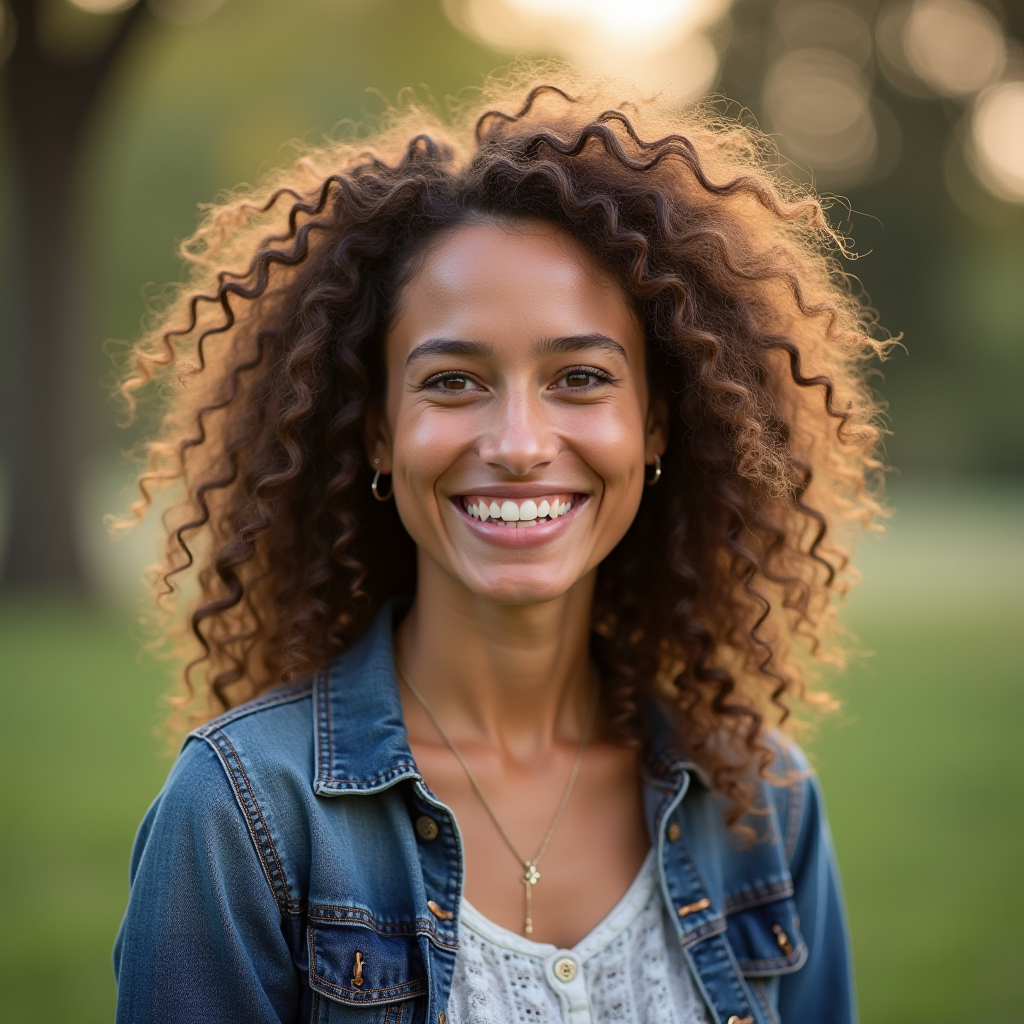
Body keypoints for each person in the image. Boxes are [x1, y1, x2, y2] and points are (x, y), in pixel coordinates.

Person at [112, 71, 886, 1024]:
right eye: (452, 383)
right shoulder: (243, 816)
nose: (518, 445)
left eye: (578, 377)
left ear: (655, 428)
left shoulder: (764, 804)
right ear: (377, 433)